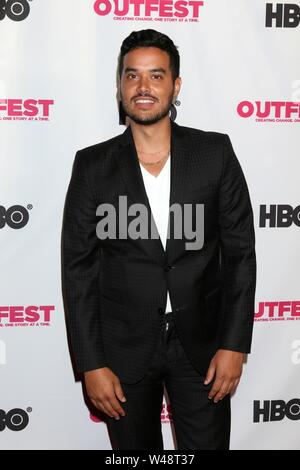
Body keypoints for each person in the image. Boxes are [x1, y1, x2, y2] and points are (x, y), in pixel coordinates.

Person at [62, 29, 256, 450]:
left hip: (201, 348)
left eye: (156, 76)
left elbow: (240, 256)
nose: (144, 87)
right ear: (119, 87)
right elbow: (78, 270)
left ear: (175, 85)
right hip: (122, 350)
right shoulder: (92, 166)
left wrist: (234, 344)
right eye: (132, 76)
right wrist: (90, 364)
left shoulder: (215, 153)